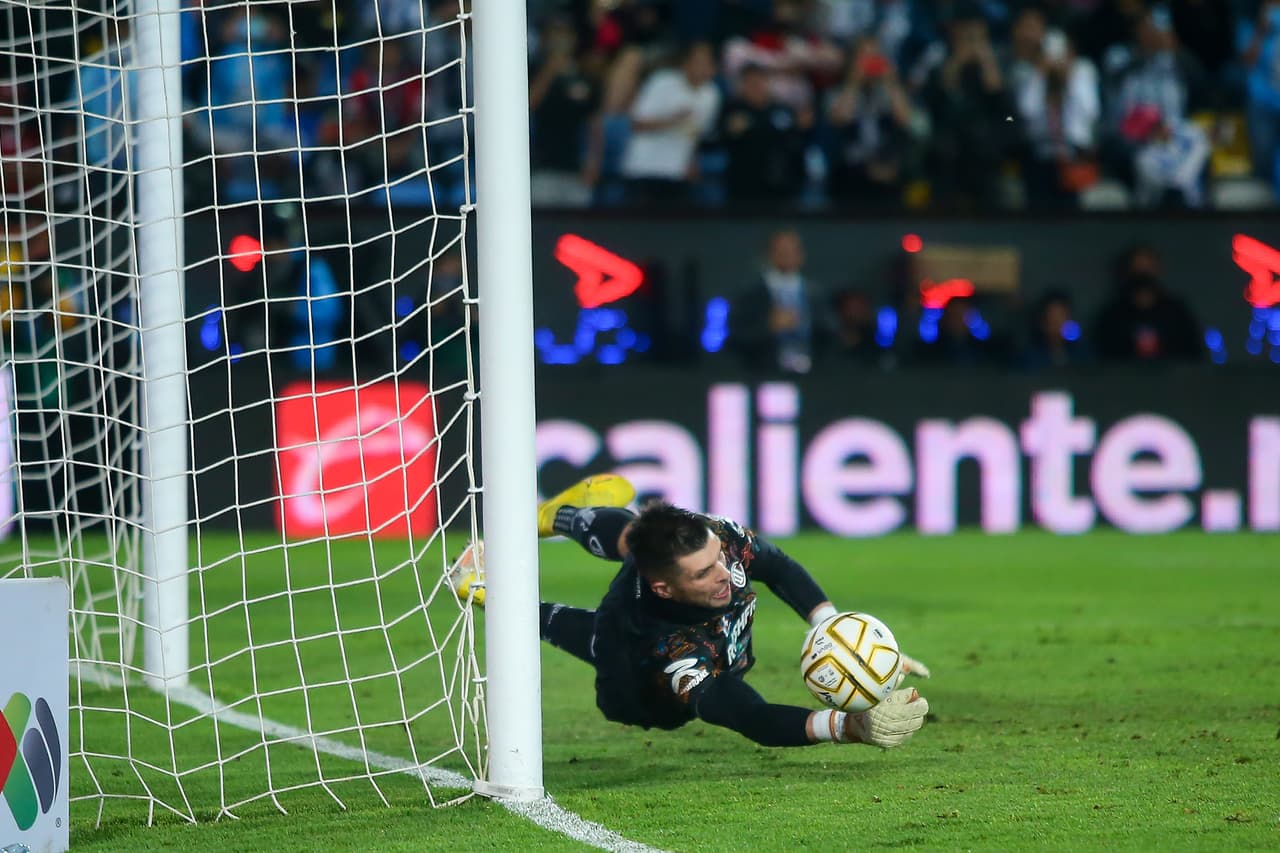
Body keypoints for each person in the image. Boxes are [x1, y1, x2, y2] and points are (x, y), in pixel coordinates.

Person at [450, 474, 932, 749]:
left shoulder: (716, 539)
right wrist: (847, 727)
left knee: (638, 534)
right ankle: (482, 589)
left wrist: (834, 627)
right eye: (703, 573)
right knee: (600, 638)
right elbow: (750, 715)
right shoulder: (663, 648)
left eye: (717, 559)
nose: (723, 573)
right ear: (665, 587)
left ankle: (552, 516)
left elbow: (778, 567)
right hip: (638, 690)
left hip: (662, 580)